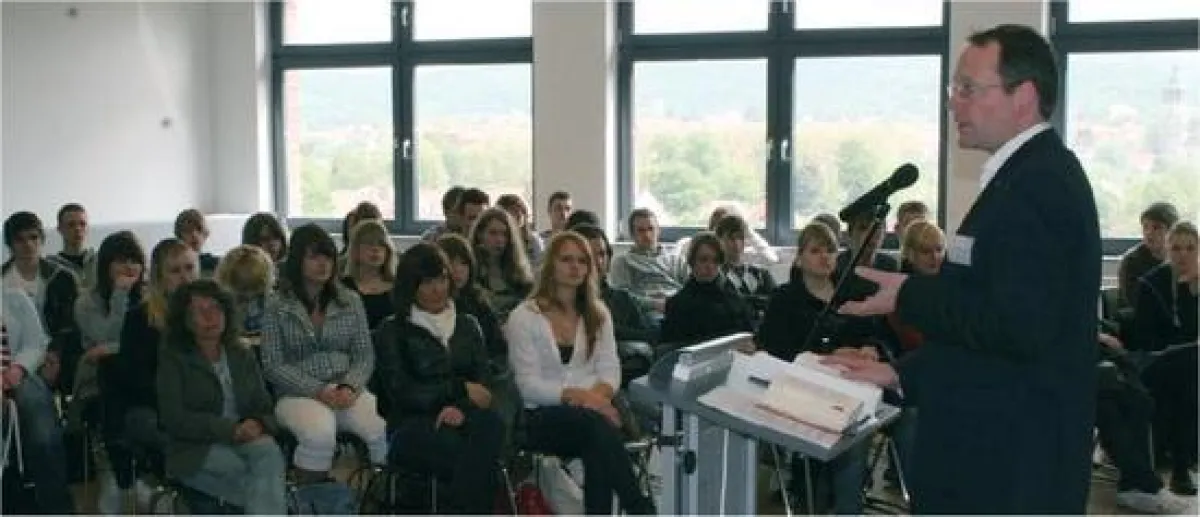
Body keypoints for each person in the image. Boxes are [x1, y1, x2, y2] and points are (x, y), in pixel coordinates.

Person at [824, 25, 1102, 514]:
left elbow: (1015, 325)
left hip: (1009, 468)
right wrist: (897, 372)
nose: (954, 102)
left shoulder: (1040, 186)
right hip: (995, 454)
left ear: (1023, 97)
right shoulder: (1021, 177)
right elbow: (982, 330)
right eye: (953, 89)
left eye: (968, 89)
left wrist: (910, 295)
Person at [372, 243, 503, 515]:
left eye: (442, 279)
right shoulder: (392, 330)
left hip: (466, 419)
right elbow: (401, 392)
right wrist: (456, 389)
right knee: (474, 458)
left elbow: (484, 387)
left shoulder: (468, 325)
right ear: (411, 287)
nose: (437, 289)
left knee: (491, 424)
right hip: (413, 424)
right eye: (427, 282)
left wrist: (460, 408)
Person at [157, 279, 287, 514]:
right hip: (194, 447)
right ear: (185, 320)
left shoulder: (241, 354)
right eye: (200, 311)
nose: (211, 317)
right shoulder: (173, 359)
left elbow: (264, 405)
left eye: (216, 308)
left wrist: (257, 423)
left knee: (269, 452)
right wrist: (229, 429)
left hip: (244, 437)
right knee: (252, 478)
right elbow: (174, 418)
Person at [1, 288, 75, 514]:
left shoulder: (15, 298)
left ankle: (55, 506)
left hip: (20, 374)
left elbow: (36, 343)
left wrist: (17, 370)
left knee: (41, 427)